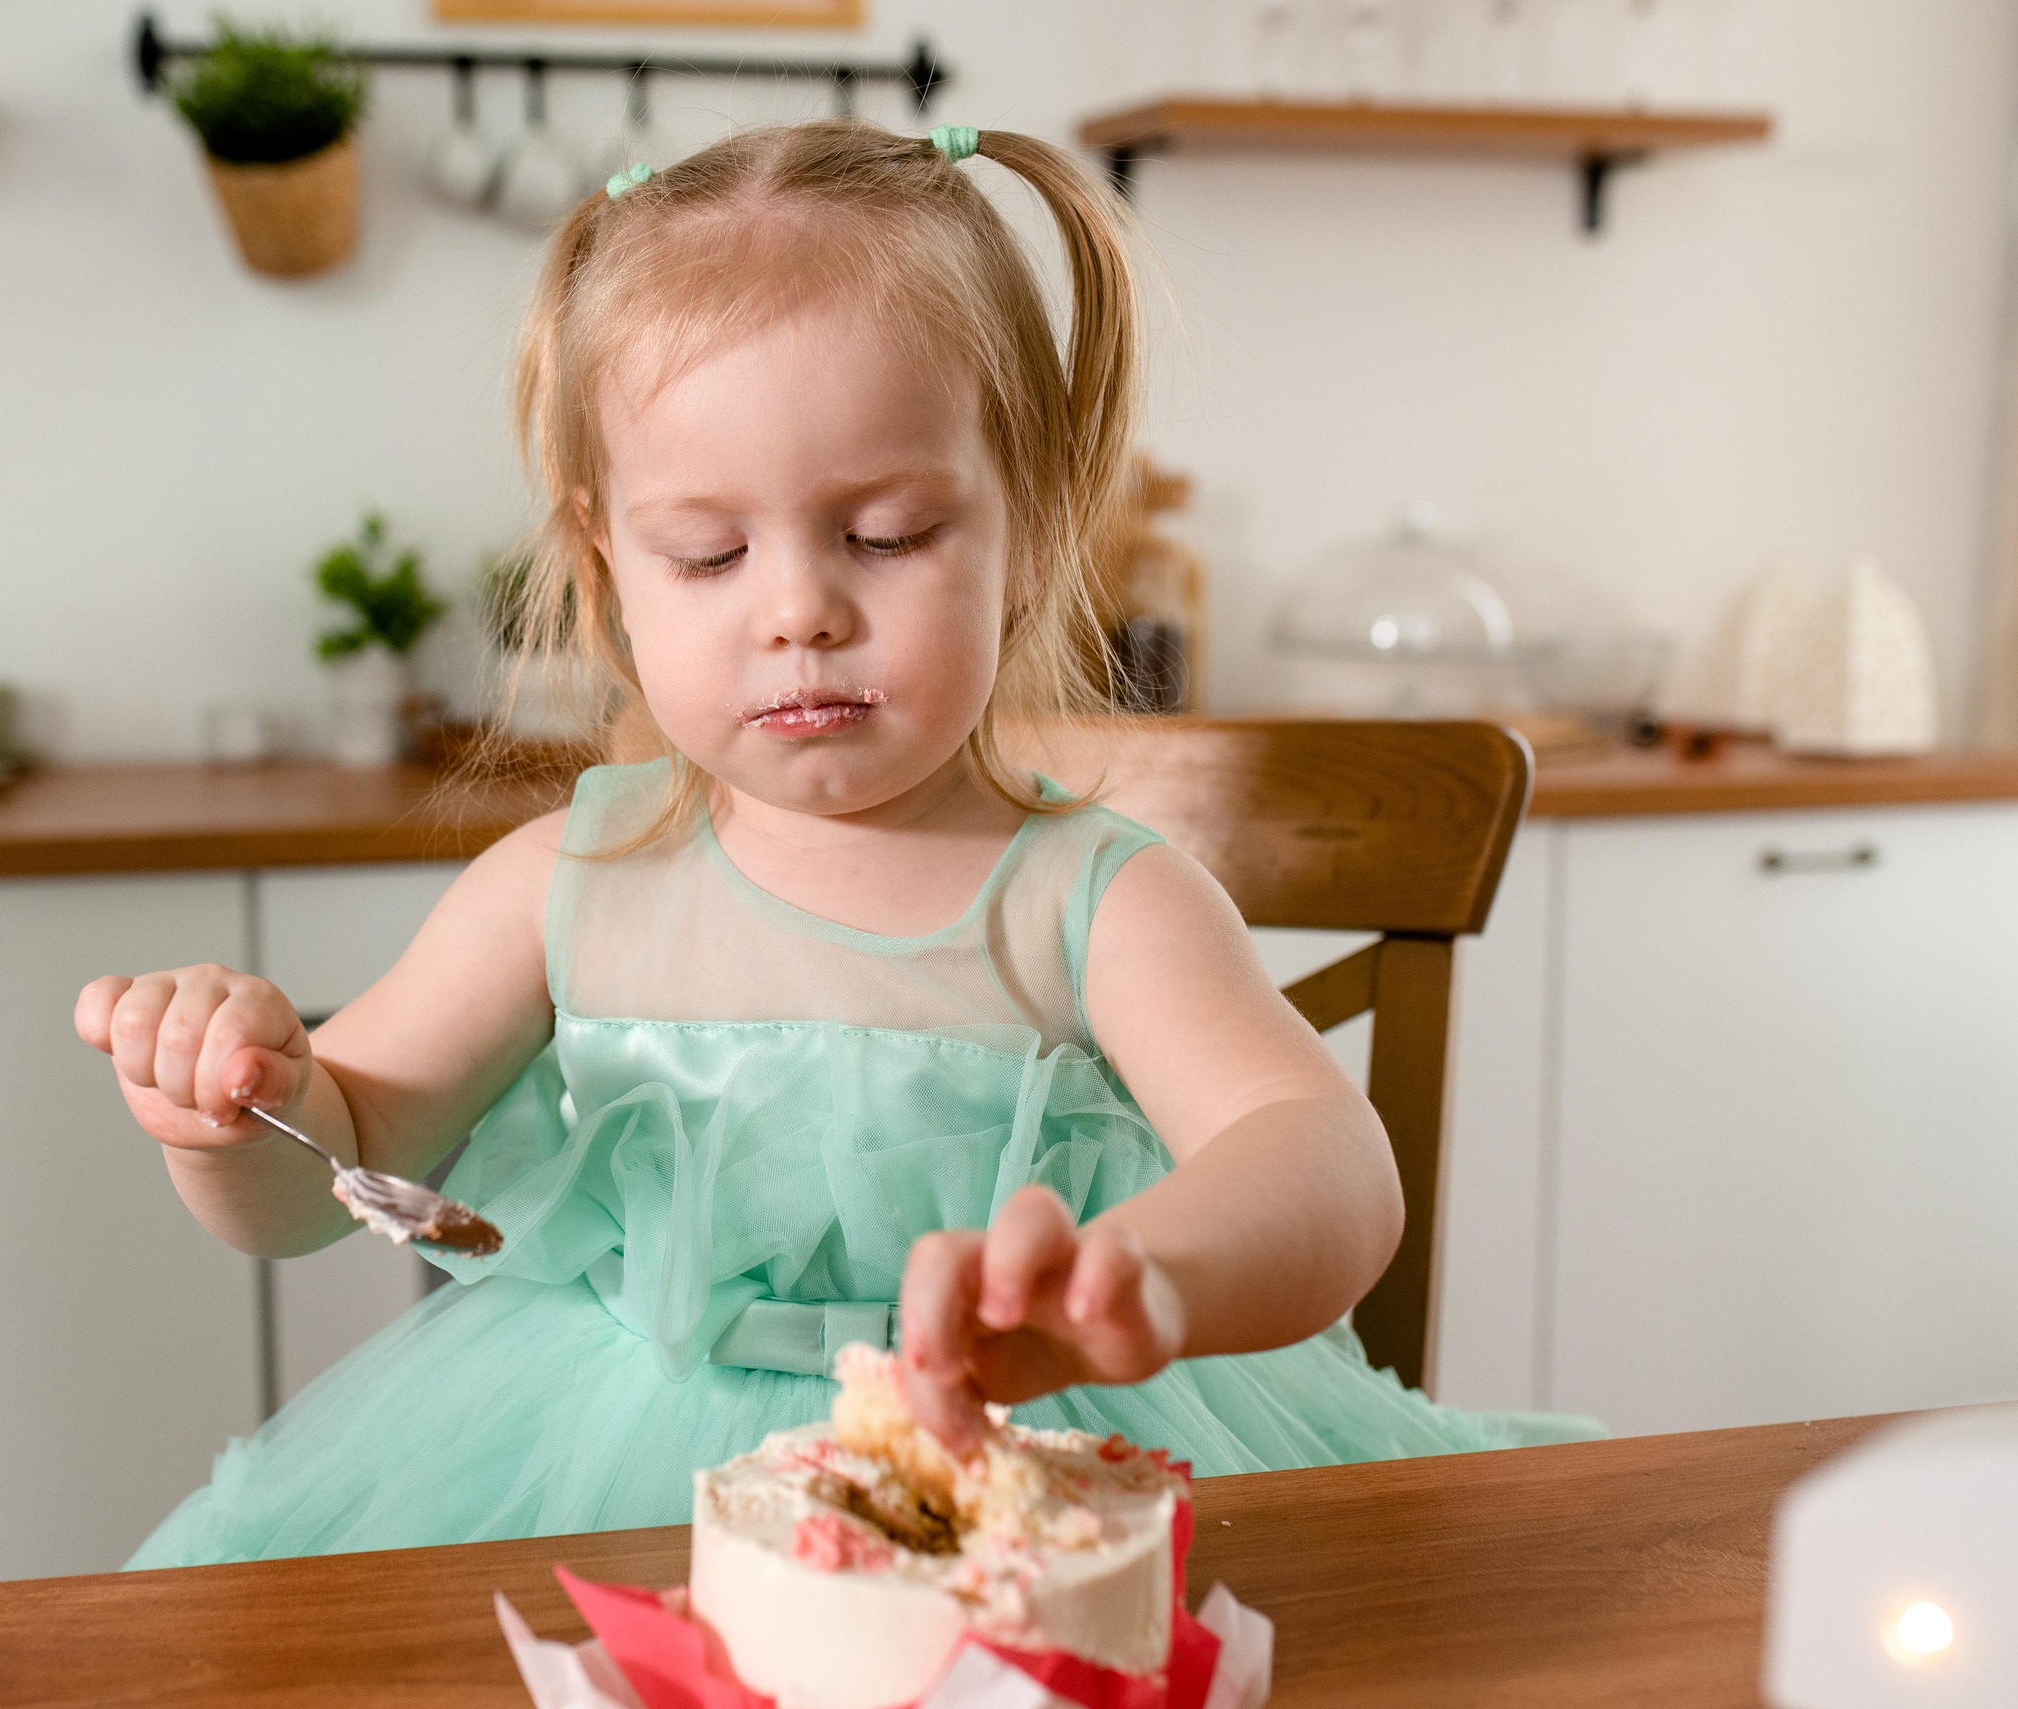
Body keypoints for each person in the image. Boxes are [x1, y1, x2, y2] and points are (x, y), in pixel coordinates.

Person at [80, 119, 1597, 1566]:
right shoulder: (560, 889)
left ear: (1033, 530)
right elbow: (316, 1184)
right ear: (612, 572)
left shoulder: (1095, 905)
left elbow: (1326, 1163)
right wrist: (233, 1111)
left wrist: (1145, 1276)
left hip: (1027, 1476)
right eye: (710, 552)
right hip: (609, 1498)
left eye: (885, 534)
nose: (797, 608)